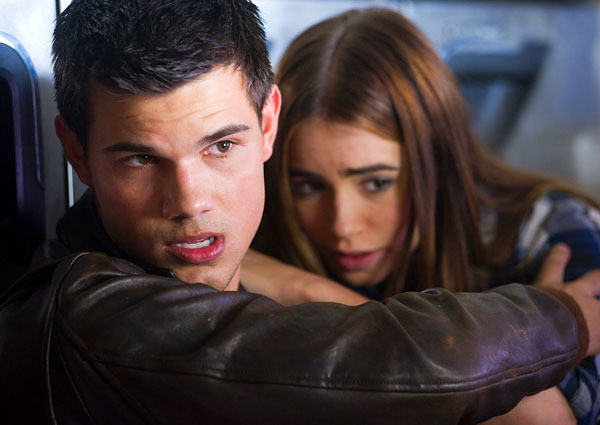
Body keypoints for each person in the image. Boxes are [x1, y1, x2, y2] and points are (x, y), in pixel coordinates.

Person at [0, 1, 599, 424]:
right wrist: (562, 317)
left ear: (267, 124)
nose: (189, 203)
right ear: (75, 152)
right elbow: (407, 367)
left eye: (221, 146)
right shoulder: (88, 317)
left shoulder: (550, 230)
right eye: (139, 159)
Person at [249, 7, 600, 425]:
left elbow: (545, 417)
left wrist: (303, 291)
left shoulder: (546, 231)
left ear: (438, 160)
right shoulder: (258, 232)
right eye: (308, 186)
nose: (342, 226)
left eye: (377, 182)